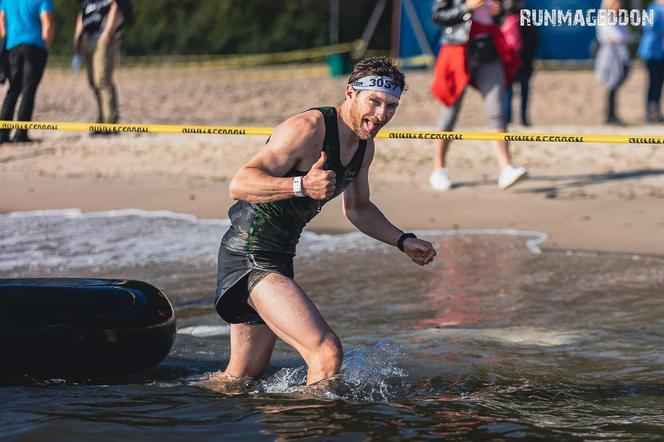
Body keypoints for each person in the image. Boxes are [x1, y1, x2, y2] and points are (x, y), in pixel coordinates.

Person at [210, 57, 437, 386]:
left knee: (238, 380)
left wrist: (403, 241)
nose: (380, 115)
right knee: (326, 353)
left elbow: (358, 207)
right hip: (249, 256)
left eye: (391, 106)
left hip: (278, 258)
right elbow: (240, 184)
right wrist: (300, 185)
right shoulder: (308, 128)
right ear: (350, 93)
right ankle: (316, 428)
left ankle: (166, 400)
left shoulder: (363, 145)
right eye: (374, 102)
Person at [429, 0, 527, 191]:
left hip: (490, 47)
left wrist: (499, 12)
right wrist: (468, 7)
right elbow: (438, 16)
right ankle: (438, 169)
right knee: (450, 111)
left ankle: (506, 167)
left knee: (497, 111)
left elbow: (502, 15)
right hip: (458, 48)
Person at [0, 0, 55, 143]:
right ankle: (21, 133)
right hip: (34, 47)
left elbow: (2, 21)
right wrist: (46, 48)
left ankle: (3, 132)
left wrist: (7, 39)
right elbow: (47, 25)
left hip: (12, 48)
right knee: (28, 91)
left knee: (13, 90)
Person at [73, 0, 132, 131]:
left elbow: (118, 8)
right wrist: (77, 37)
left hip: (103, 38)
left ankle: (110, 122)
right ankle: (102, 118)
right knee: (93, 81)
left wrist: (108, 32)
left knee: (102, 79)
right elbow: (82, 12)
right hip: (88, 38)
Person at [594, 0, 633, 125]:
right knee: (611, 84)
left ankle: (612, 113)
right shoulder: (605, 19)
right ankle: (609, 115)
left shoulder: (617, 20)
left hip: (619, 54)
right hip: (610, 55)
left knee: (615, 85)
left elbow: (626, 36)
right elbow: (614, 37)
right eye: (616, 4)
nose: (619, 6)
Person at [501, 0, 537, 127]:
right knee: (510, 91)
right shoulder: (501, 15)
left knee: (518, 90)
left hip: (520, 60)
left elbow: (533, 38)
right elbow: (533, 38)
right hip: (512, 60)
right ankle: (511, 118)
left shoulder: (520, 15)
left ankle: (519, 118)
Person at [637, 0, 664, 123]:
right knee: (654, 82)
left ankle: (656, 111)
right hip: (653, 52)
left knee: (658, 83)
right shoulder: (653, 8)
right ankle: (651, 112)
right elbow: (651, 27)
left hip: (660, 53)